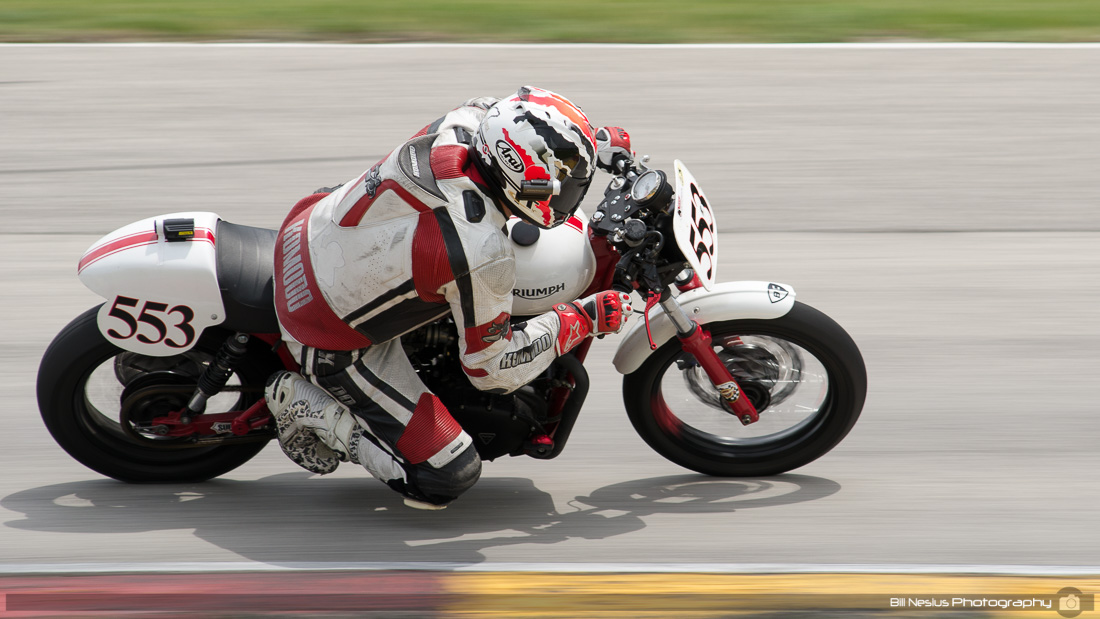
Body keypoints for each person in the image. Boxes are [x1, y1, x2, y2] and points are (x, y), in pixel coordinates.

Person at [264, 86, 635, 509]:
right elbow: (491, 369)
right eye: (560, 182)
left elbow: (519, 114)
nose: (565, 191)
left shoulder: (470, 121)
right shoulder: (483, 251)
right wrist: (580, 320)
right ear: (522, 179)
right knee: (447, 474)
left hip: (313, 226)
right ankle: (317, 412)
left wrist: (590, 143)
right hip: (325, 330)